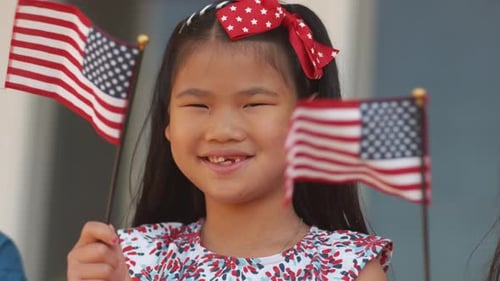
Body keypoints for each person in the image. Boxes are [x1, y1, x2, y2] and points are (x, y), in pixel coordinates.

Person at [67, 0, 393, 280]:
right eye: (197, 105)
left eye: (254, 104)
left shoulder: (349, 268)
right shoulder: (129, 259)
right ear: (167, 121)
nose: (222, 130)